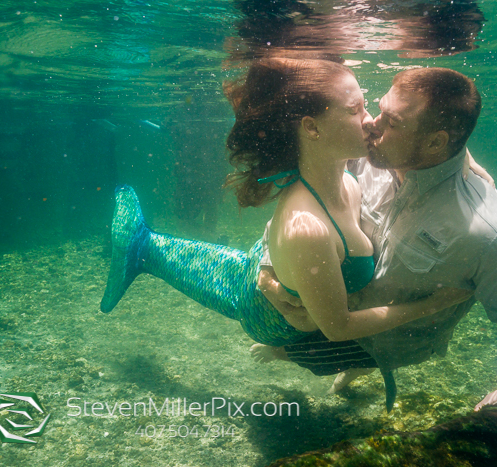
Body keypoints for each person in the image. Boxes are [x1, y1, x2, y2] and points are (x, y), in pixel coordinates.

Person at [256, 67, 497, 448]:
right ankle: (351, 366)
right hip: (336, 306)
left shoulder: (488, 232)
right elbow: (306, 206)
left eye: (392, 122)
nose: (370, 125)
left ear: (435, 144)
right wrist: (269, 260)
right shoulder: (370, 157)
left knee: (302, 356)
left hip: (395, 341)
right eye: (378, 109)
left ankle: (350, 364)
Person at [100, 59, 474, 367]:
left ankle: (143, 245)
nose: (370, 120)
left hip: (270, 270)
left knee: (230, 266)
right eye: (355, 109)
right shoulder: (306, 228)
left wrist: (462, 159)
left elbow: (417, 149)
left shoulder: (348, 179)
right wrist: (430, 306)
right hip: (264, 314)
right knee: (222, 279)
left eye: (367, 105)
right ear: (311, 128)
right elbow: (339, 328)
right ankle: (141, 247)